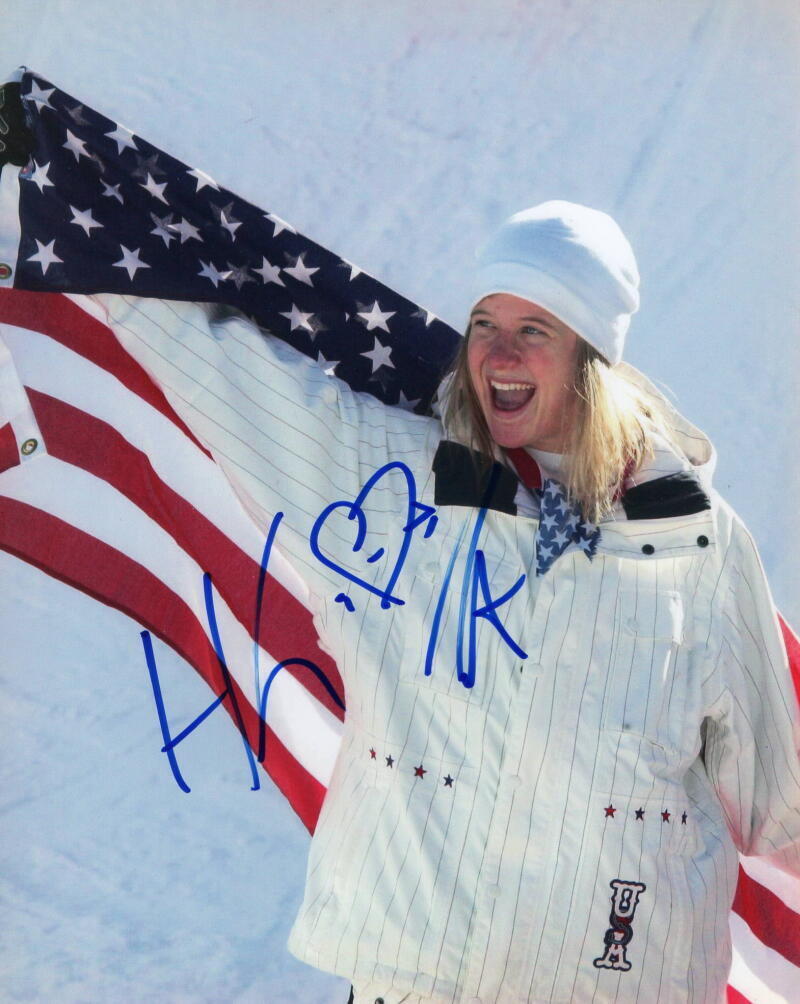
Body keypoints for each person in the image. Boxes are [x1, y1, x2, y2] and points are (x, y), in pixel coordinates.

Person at [82, 200, 800, 1003]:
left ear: (593, 356)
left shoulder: (696, 546)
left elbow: (783, 800)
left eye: (536, 329)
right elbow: (219, 371)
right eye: (485, 321)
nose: (498, 351)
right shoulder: (392, 482)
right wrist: (46, 203)